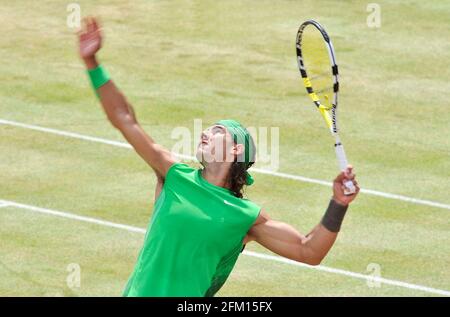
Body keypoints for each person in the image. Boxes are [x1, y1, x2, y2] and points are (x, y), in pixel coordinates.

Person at [77, 17, 360, 297]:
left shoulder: (245, 217)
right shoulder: (174, 174)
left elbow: (308, 251)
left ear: (236, 149)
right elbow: (125, 119)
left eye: (217, 131)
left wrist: (339, 203)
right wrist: (93, 64)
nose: (206, 132)